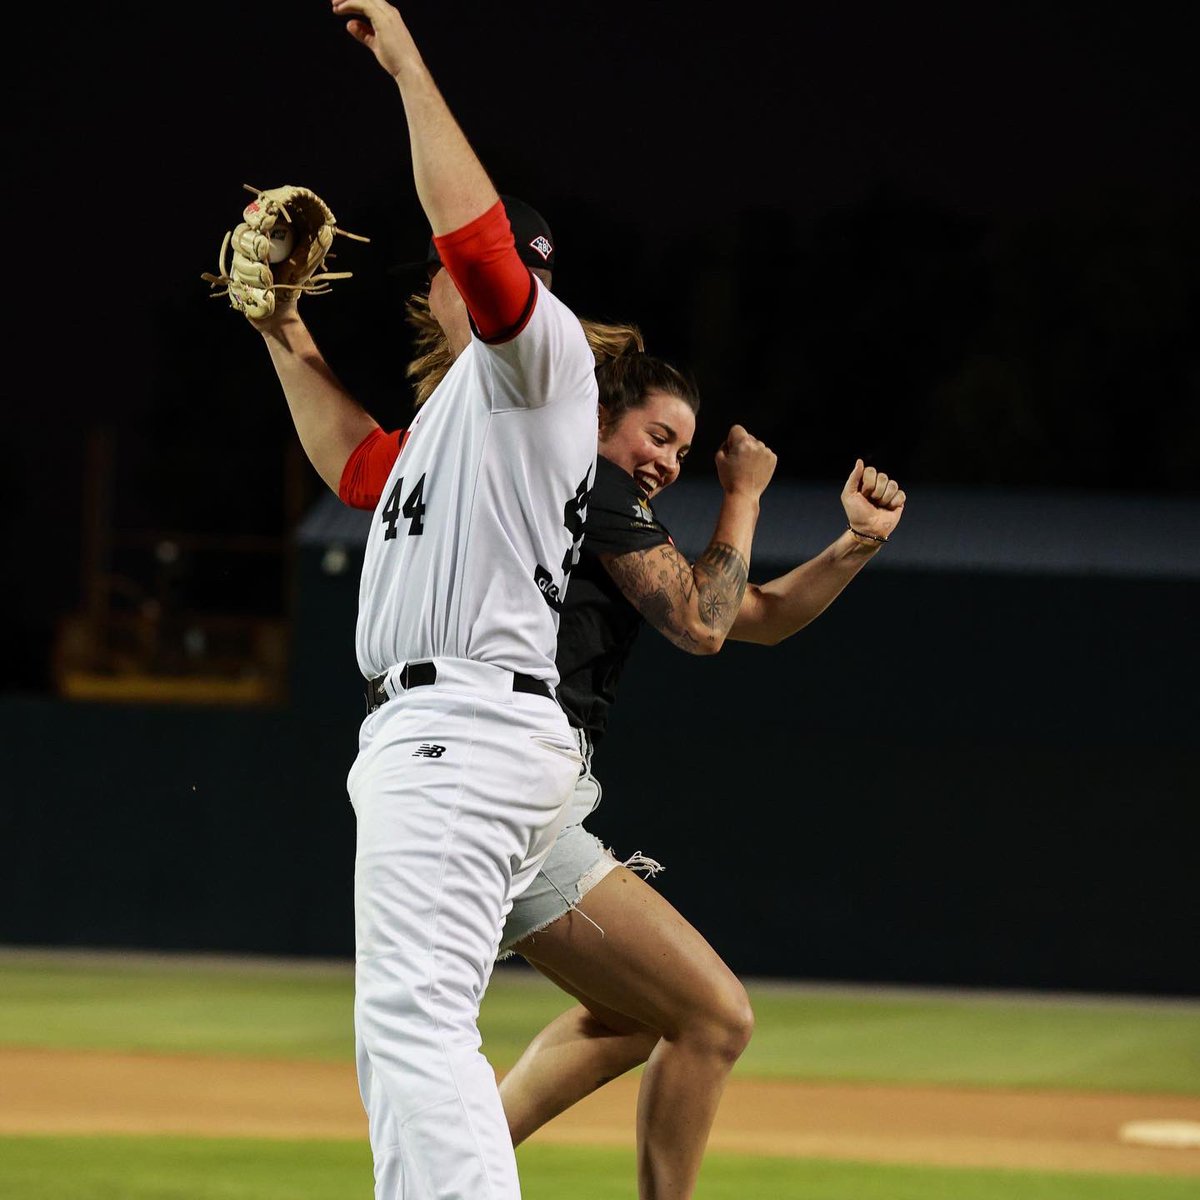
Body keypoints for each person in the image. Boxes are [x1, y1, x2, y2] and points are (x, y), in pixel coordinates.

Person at [240, 1, 641, 1195]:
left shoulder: (539, 358)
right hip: (448, 734)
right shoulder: (452, 426)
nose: (493, 277)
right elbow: (357, 463)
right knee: (400, 1041)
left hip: (464, 729)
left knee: (416, 1031)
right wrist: (280, 325)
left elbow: (475, 247)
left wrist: (408, 67)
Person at [493, 350, 907, 1199]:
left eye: (681, 450)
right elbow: (706, 625)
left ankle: (444, 1172)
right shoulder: (590, 487)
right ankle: (445, 1171)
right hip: (514, 788)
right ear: (601, 418)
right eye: (657, 434)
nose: (669, 462)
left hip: (513, 782)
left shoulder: (595, 507)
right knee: (715, 1015)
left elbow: (758, 616)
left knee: (638, 1014)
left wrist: (856, 543)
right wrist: (743, 495)